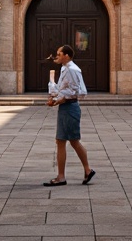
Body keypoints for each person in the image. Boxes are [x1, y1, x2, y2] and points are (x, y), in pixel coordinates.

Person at [44, 44, 95, 187]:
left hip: (70, 108)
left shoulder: (72, 69)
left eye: (59, 54)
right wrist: (55, 98)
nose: (56, 56)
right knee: (62, 141)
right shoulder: (65, 69)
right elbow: (65, 89)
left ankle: (85, 170)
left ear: (66, 55)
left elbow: (76, 91)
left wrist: (59, 100)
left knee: (73, 141)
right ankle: (64, 175)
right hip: (65, 108)